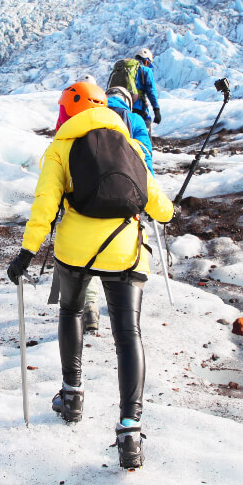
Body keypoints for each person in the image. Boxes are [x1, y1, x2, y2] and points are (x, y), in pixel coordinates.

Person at [7, 81, 175, 469]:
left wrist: (27, 252)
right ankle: (130, 432)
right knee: (128, 335)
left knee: (71, 311)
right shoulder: (129, 145)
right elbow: (161, 207)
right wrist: (170, 212)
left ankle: (72, 397)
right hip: (125, 251)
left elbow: (45, 206)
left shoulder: (59, 148)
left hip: (75, 252)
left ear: (66, 113)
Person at [81, 85, 154, 332]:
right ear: (128, 101)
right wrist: (149, 197)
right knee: (124, 250)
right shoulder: (134, 119)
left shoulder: (90, 114)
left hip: (87, 199)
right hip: (127, 200)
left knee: (86, 254)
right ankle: (124, 315)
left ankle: (90, 307)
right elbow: (145, 158)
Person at [131, 48, 162, 131]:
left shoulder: (126, 70)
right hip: (138, 108)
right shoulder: (146, 70)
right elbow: (151, 90)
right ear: (146, 61)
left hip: (122, 107)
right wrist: (156, 110)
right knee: (142, 135)